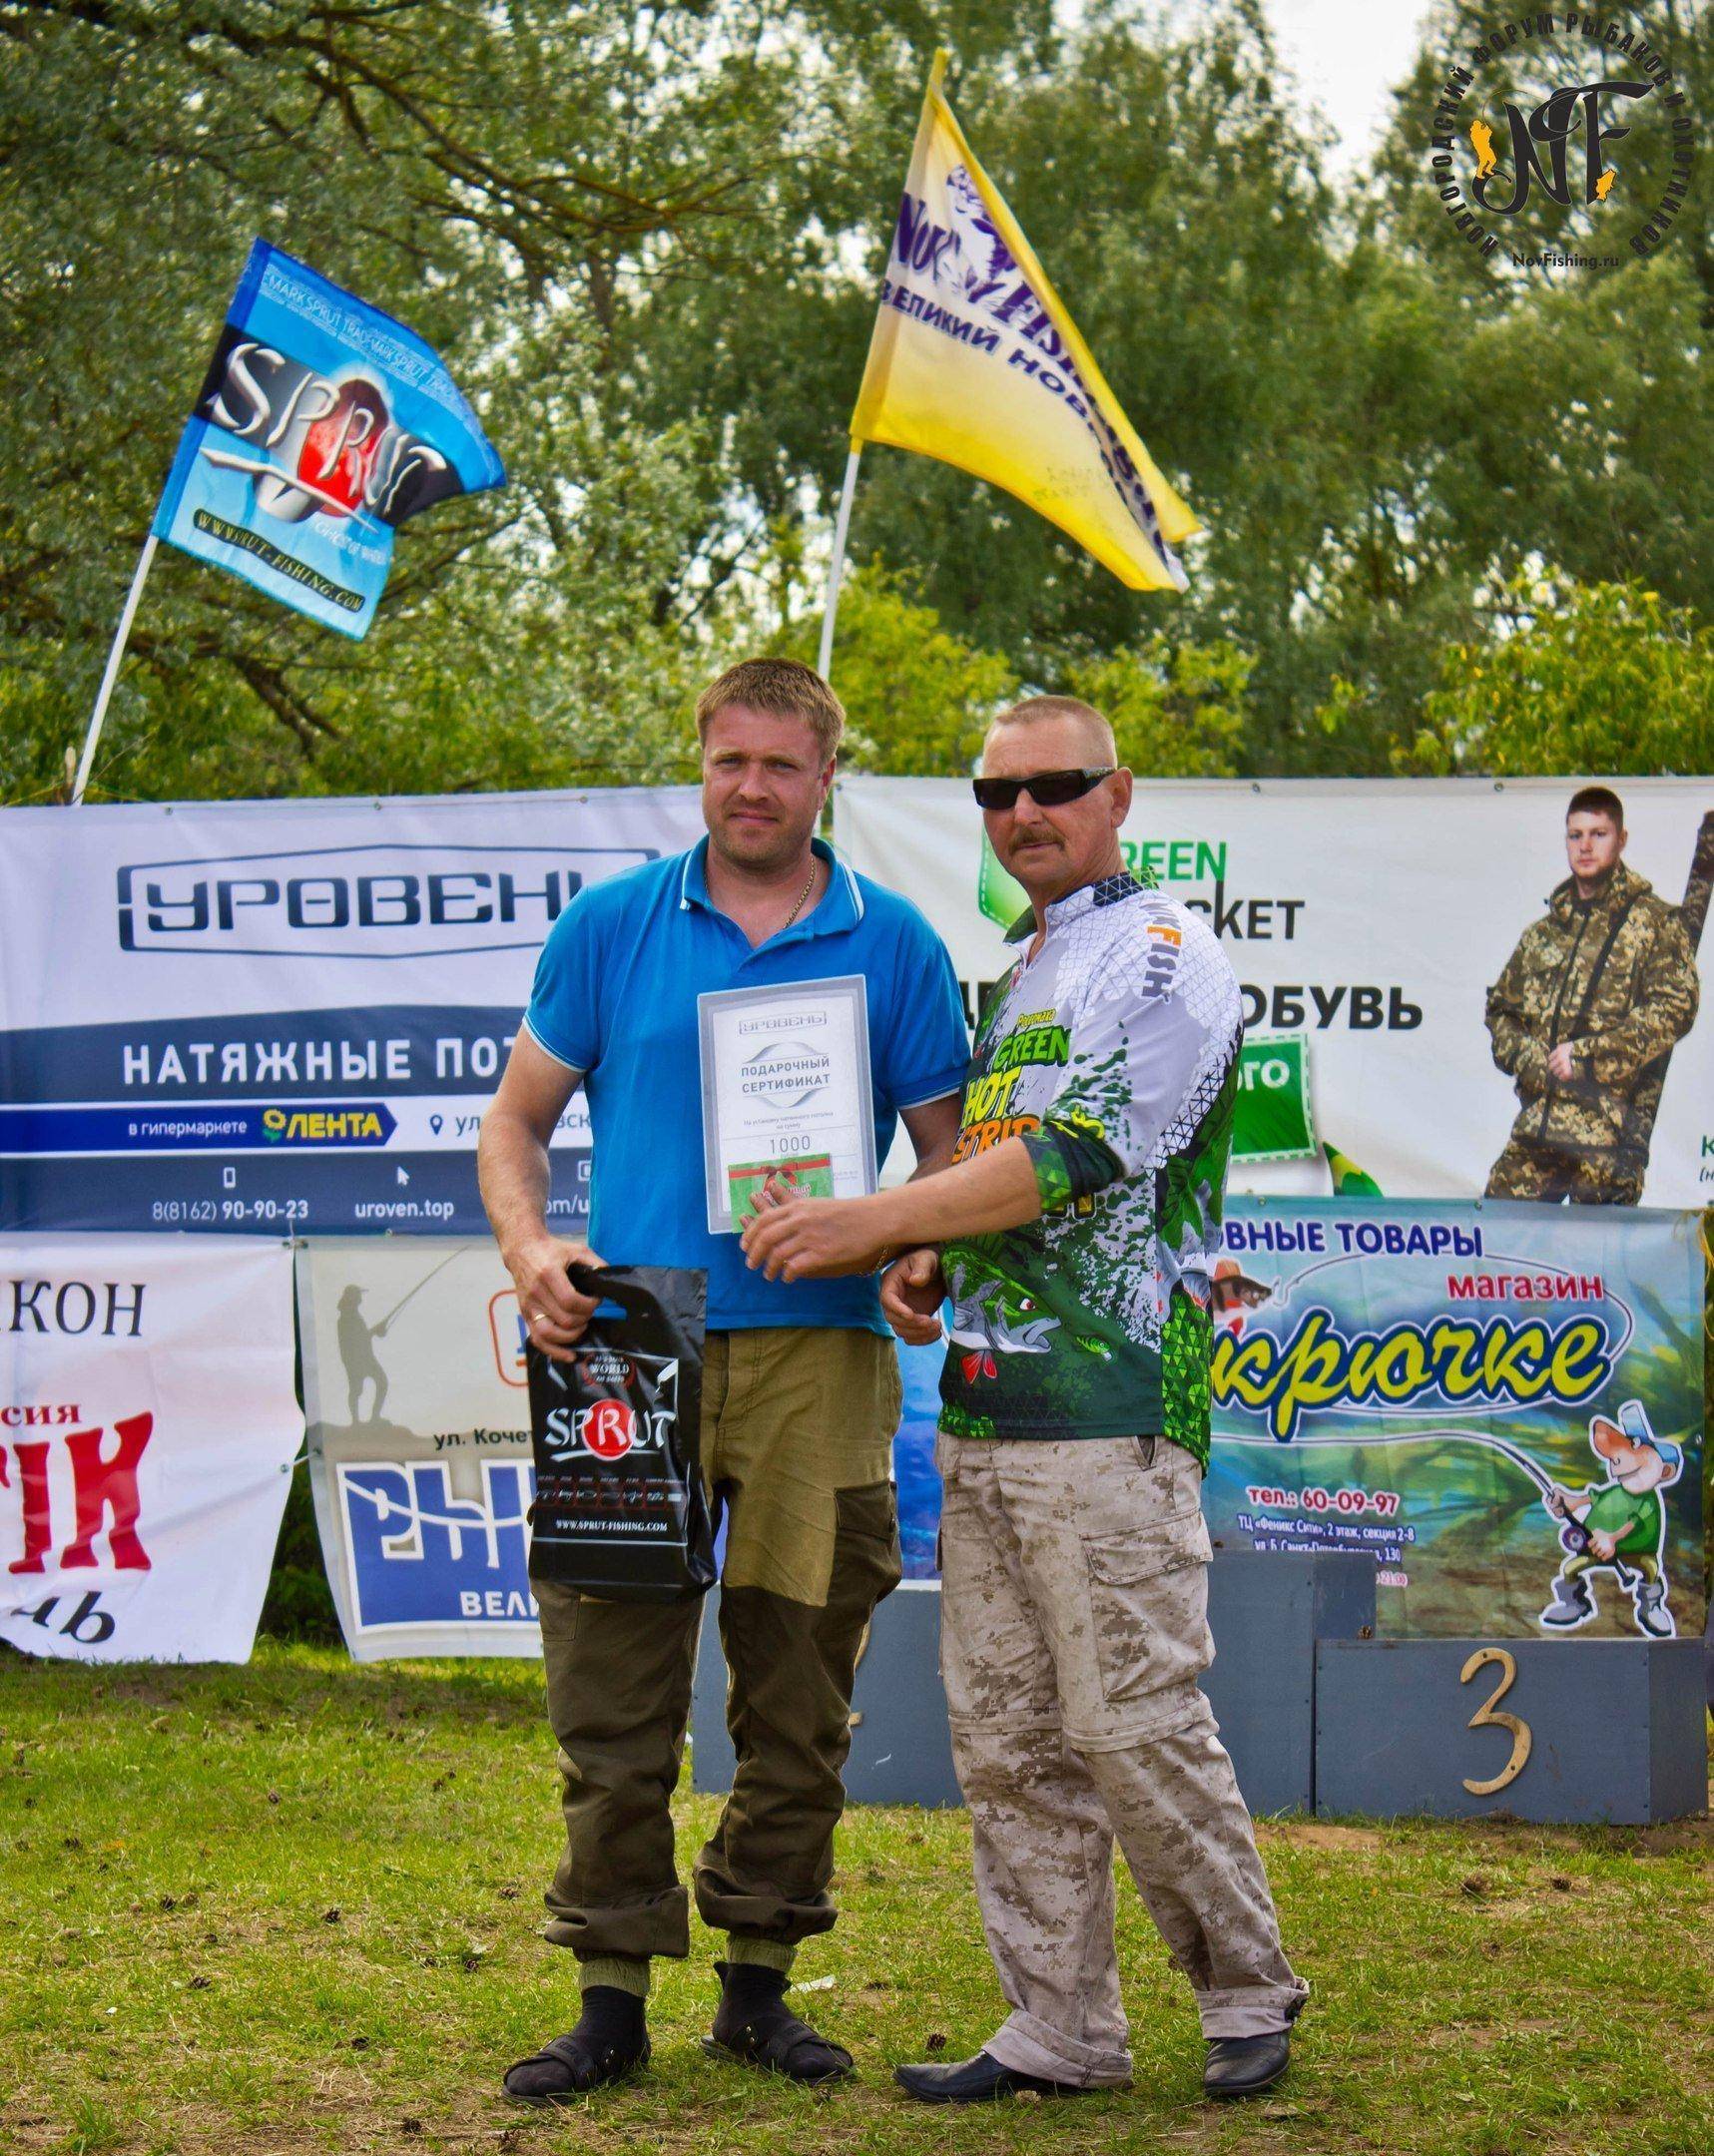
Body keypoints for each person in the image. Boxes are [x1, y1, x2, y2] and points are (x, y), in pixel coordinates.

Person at [742, 695, 1308, 2105]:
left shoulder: (1164, 951)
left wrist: (878, 1219)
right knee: (1006, 1747)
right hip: (987, 1412)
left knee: (1132, 1724)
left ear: (1118, 793)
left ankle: (1245, 1990)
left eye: (1054, 786)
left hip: (1113, 1407)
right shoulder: (1024, 972)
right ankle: (1060, 2028)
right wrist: (931, 1252)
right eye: (996, 795)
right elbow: (998, 1172)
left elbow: (1080, 1155)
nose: (1024, 815)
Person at [477, 658, 968, 2100]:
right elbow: (512, 1126)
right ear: (701, 766)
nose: (750, 788)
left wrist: (911, 1252)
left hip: (822, 1350)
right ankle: (610, 1994)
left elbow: (948, 1162)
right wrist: (531, 1249)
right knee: (610, 1683)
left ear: (828, 777)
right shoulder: (611, 925)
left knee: (800, 1684)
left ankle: (760, 1985)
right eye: (727, 761)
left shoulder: (894, 944)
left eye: (779, 765)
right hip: (630, 1342)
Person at [1484, 787, 1698, 1205]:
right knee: (1497, 1238)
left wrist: (1586, 1057)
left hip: (1609, 1140)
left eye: (1598, 834)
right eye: (1575, 835)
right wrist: (1529, 1058)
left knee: (1597, 1249)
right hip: (1537, 1129)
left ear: (1621, 839)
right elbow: (1501, 1012)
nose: (1585, 846)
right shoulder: (1544, 932)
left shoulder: (1655, 923)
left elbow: (1674, 1010)